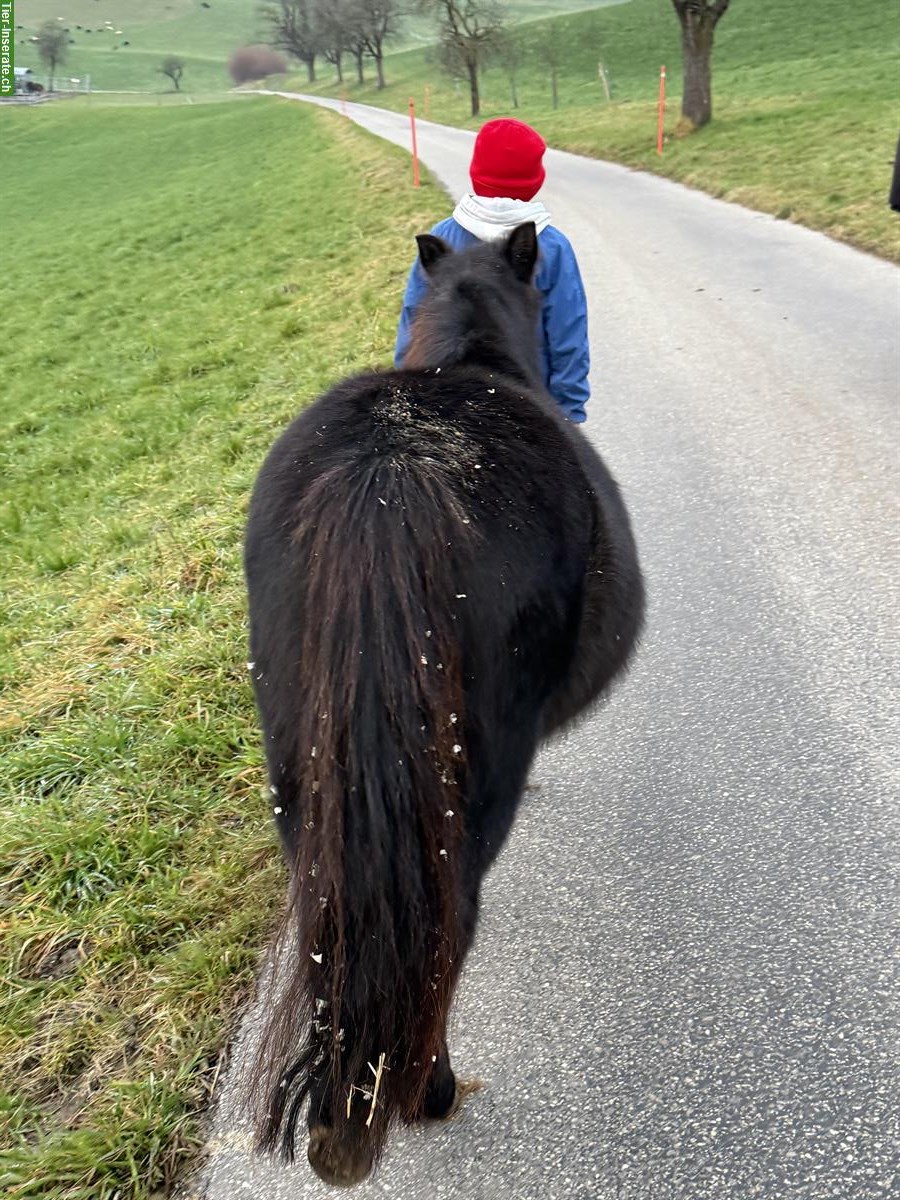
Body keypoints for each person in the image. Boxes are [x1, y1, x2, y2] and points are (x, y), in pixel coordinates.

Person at [394, 118, 591, 424]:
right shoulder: (552, 246)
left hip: (448, 403)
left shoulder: (443, 236)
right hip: (531, 403)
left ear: (476, 171)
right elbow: (568, 333)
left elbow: (414, 318)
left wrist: (407, 391)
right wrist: (569, 410)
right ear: (535, 178)